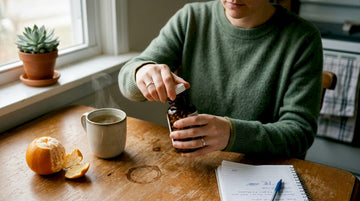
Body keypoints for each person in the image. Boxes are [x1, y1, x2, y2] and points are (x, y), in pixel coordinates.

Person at [118, 0, 323, 159]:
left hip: (260, 170)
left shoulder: (303, 38)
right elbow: (127, 81)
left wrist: (233, 134)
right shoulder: (191, 18)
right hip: (198, 166)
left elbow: (299, 133)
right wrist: (141, 72)